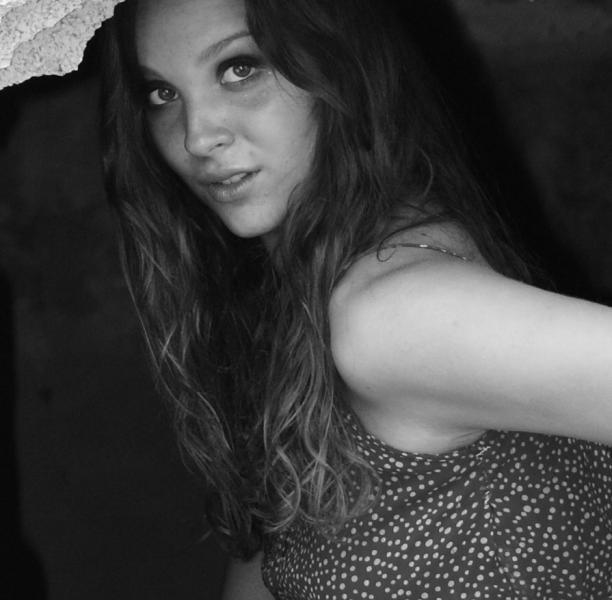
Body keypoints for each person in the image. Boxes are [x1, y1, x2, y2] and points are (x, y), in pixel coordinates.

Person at [101, 0, 612, 597]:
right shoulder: (301, 291)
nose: (196, 136)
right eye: (162, 94)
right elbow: (284, 550)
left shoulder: (391, 316)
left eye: (240, 69)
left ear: (338, 66)